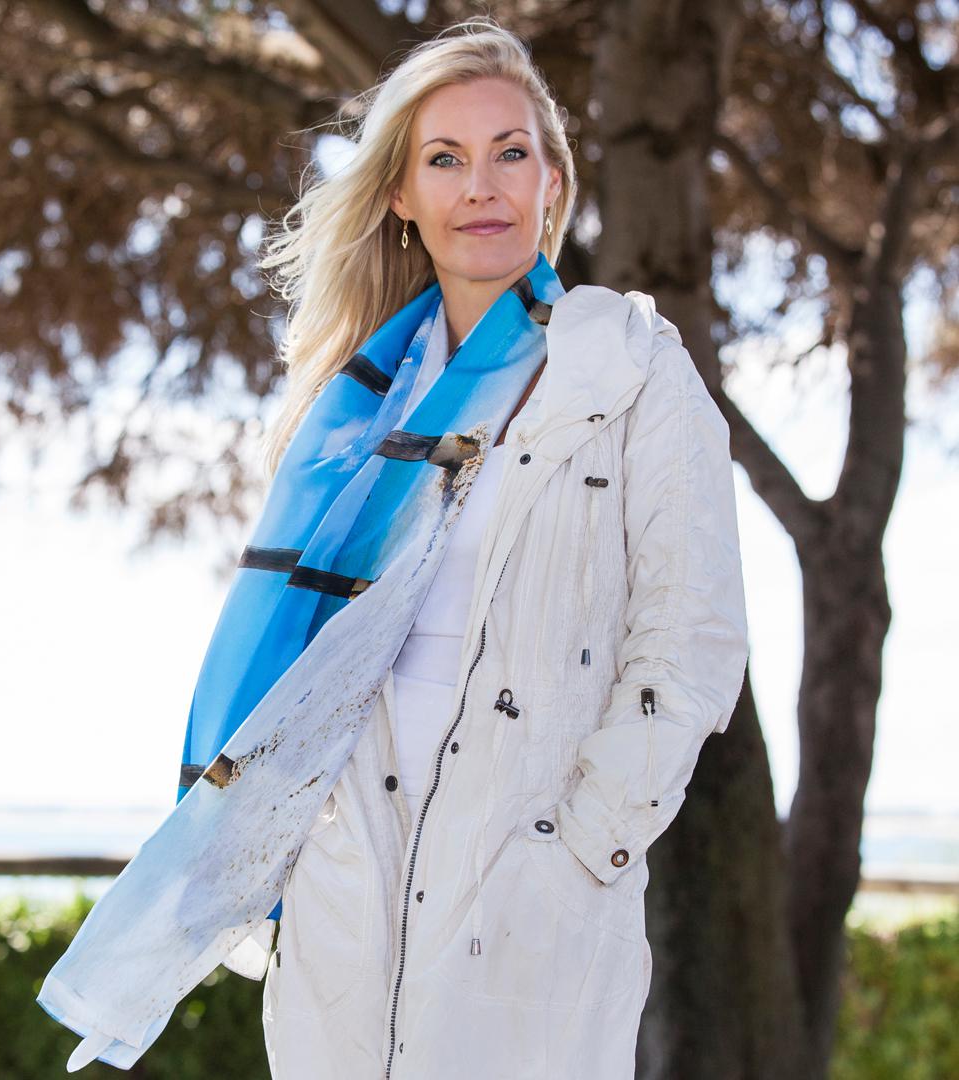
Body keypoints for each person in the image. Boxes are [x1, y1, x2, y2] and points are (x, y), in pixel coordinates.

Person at [252, 16, 750, 1080]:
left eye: (509, 153)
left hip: (533, 897)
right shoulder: (351, 412)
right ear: (400, 193)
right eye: (446, 159)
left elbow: (693, 638)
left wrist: (579, 849)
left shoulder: (631, 368)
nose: (481, 185)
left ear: (552, 185)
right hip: (349, 893)